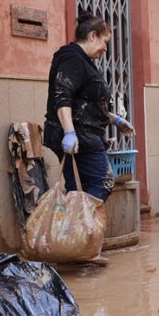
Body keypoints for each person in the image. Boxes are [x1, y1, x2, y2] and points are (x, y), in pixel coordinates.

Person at [43, 12, 135, 202]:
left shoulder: (83, 61)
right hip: (80, 137)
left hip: (83, 134)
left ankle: (75, 228)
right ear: (92, 36)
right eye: (105, 42)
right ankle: (76, 225)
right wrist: (69, 132)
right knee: (104, 182)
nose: (105, 49)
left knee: (78, 188)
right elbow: (62, 97)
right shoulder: (72, 58)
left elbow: (84, 102)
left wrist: (113, 119)